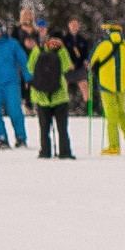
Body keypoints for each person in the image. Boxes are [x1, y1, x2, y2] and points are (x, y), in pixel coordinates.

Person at [87, 23, 125, 156]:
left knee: (111, 116)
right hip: (123, 85)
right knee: (122, 115)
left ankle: (113, 146)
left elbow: (91, 60)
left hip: (106, 84)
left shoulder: (103, 45)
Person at [26, 27, 75, 159]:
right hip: (60, 95)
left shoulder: (37, 51)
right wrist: (62, 50)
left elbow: (30, 68)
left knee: (44, 128)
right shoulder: (62, 52)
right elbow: (66, 67)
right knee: (62, 127)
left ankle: (45, 151)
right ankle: (65, 152)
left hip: (41, 96)